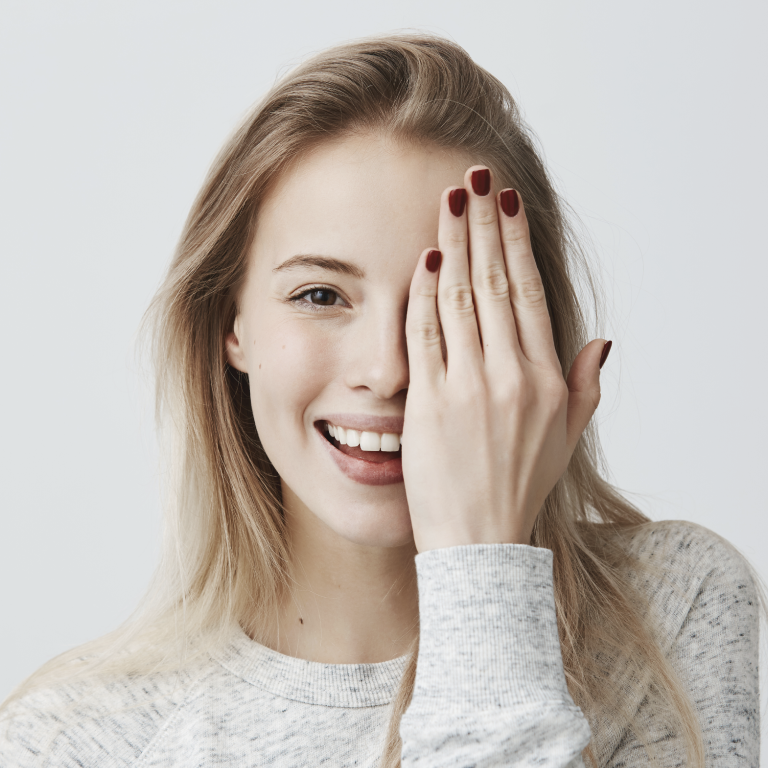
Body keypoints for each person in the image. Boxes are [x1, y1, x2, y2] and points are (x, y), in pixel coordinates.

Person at [0, 33, 763, 768]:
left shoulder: (676, 610)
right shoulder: (79, 738)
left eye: (451, 302)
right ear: (229, 326)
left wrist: (482, 563)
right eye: (321, 294)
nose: (388, 370)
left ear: (531, 331)